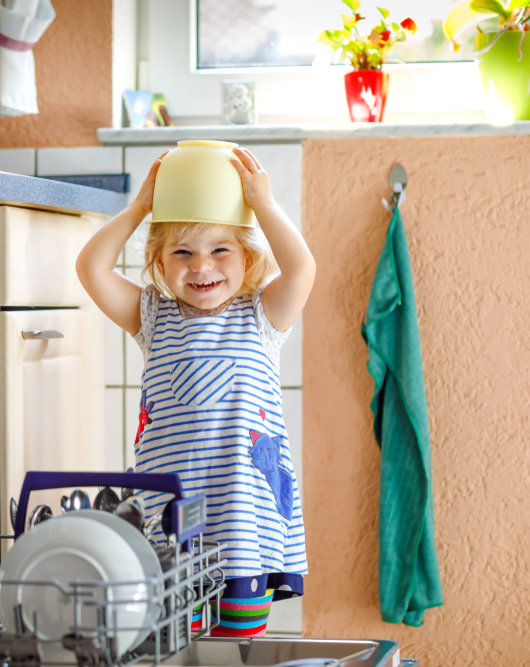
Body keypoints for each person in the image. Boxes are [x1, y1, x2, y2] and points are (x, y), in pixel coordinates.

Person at [75, 146, 315, 637]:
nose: (202, 266)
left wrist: (263, 204)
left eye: (220, 249)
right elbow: (91, 267)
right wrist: (141, 206)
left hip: (245, 525)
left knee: (233, 647)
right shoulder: (153, 318)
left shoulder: (262, 315)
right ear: (159, 261)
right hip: (170, 527)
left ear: (248, 257)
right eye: (182, 252)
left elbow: (302, 269)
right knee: (173, 645)